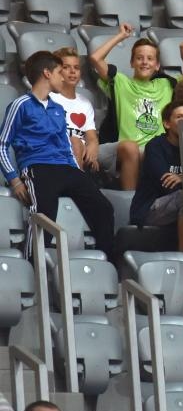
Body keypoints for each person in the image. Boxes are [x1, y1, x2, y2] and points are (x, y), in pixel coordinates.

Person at [0, 51, 115, 258]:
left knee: (104, 208)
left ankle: (107, 264)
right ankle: (32, 267)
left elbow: (65, 144)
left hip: (66, 167)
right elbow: (2, 145)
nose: (64, 77)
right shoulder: (20, 104)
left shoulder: (58, 109)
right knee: (44, 214)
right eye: (60, 72)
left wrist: (75, 170)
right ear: (46, 73)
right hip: (38, 166)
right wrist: (15, 180)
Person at [89, 23, 183, 190]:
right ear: (132, 62)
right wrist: (121, 36)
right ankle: (129, 200)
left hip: (155, 150)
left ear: (157, 65)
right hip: (126, 149)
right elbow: (96, 58)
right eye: (139, 58)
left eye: (150, 58)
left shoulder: (165, 84)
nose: (144, 62)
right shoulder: (121, 82)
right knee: (132, 147)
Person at [129, 101, 183, 249]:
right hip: (150, 208)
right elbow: (165, 183)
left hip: (181, 204)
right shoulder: (156, 146)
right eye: (179, 117)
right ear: (167, 124)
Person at [51, 47, 100, 172]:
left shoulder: (85, 103)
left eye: (76, 68)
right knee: (75, 142)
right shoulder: (50, 98)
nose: (72, 71)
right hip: (58, 153)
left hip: (82, 155)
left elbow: (91, 136)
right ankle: (78, 186)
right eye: (66, 67)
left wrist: (92, 147)